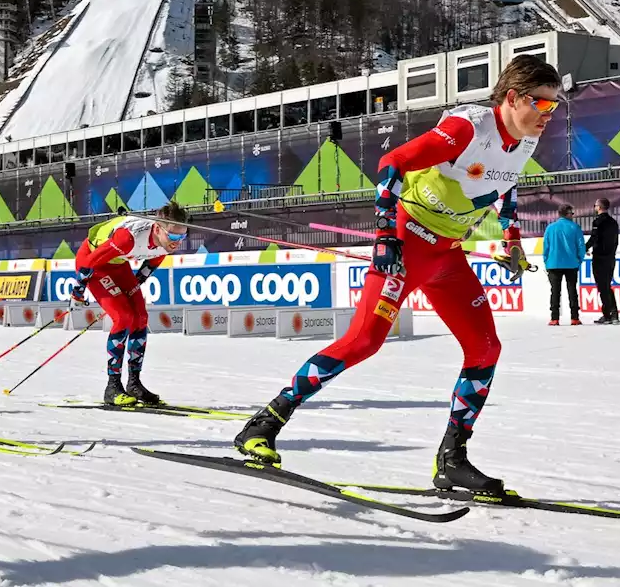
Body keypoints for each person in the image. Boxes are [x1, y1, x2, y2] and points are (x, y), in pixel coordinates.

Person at [234, 55, 562, 493]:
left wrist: (513, 237)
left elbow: (506, 185)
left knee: (485, 348)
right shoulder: (469, 128)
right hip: (407, 246)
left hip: (447, 256)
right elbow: (391, 164)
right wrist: (386, 235)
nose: (549, 116)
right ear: (513, 97)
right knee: (363, 341)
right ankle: (265, 423)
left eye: (555, 107)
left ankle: (452, 459)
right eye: (543, 105)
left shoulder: (524, 140)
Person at [71, 201, 190, 406]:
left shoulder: (167, 242)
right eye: (173, 236)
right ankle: (112, 386)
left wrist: (134, 286)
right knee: (123, 317)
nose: (177, 242)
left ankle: (134, 383)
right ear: (157, 228)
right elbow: (89, 262)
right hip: (95, 263)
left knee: (141, 317)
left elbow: (152, 263)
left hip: (119, 264)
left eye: (182, 236)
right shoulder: (127, 238)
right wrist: (78, 292)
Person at [542, 204, 585, 326]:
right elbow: (581, 246)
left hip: (553, 263)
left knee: (555, 291)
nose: (572, 215)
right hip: (571, 263)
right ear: (567, 213)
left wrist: (546, 261)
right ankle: (574, 317)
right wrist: (579, 260)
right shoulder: (575, 227)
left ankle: (554, 318)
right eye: (572, 213)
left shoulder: (550, 228)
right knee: (572, 290)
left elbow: (546, 247)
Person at [585, 197, 620, 324]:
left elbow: (594, 238)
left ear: (599, 207)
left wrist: (584, 248)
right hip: (611, 257)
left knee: (602, 286)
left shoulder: (598, 222)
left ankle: (607, 315)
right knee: (607, 286)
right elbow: (616, 241)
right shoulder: (613, 222)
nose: (594, 208)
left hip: (600, 257)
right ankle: (614, 314)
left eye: (595, 205)